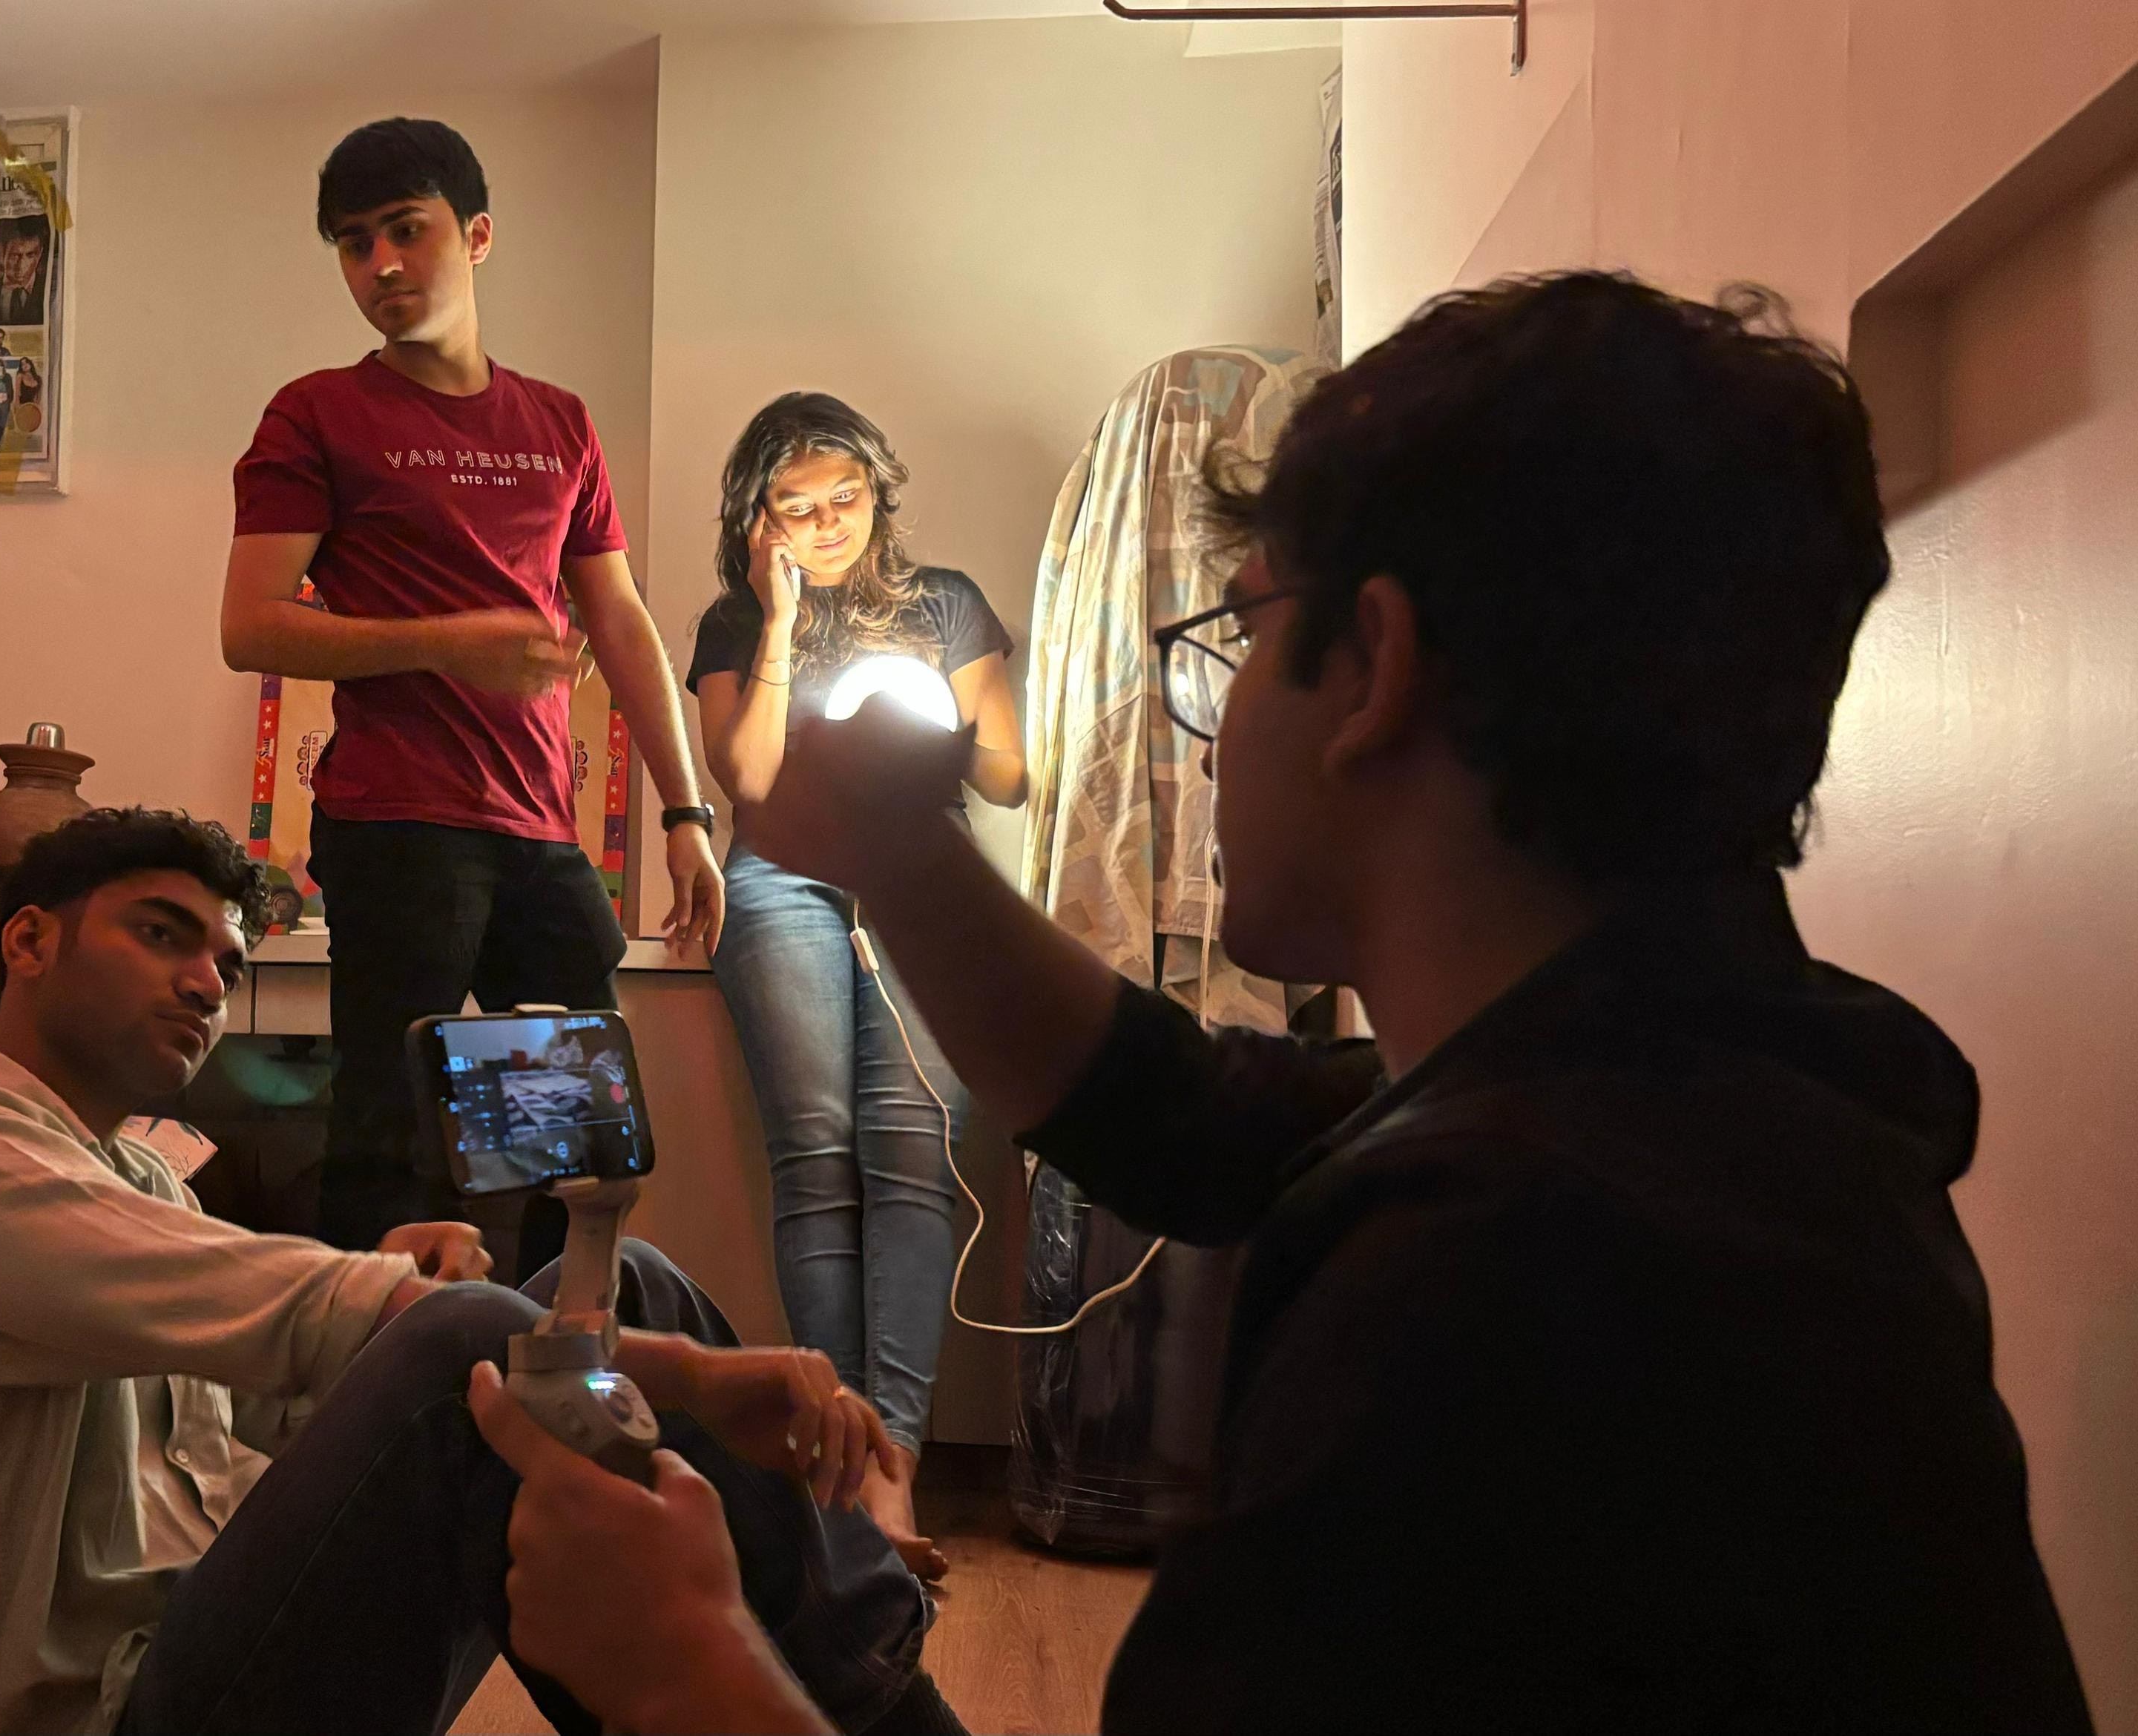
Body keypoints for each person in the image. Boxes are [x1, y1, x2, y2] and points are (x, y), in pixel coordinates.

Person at [473, 272, 2094, 1733]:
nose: (1220, 699)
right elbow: (1187, 1114)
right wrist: (901, 857)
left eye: (1239, 633)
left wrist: (687, 1670)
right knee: (669, 1310)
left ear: (1372, 670)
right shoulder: (1711, 1090)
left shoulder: (1492, 1300)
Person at [0, 809, 948, 1736]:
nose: (207, 984)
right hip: (102, 1710)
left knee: (626, 1277)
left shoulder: (139, 1175)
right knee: (466, 1346)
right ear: (29, 942)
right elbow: (334, 1324)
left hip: (216, 1636)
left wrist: (390, 1325)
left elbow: (269, 1410)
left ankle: (852, 1674)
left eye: (226, 962)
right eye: (160, 935)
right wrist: (689, 1380)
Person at [221, 118, 725, 1258]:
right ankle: (380, 1363)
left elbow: (621, 619)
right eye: (355, 243)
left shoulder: (559, 422)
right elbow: (249, 626)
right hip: (398, 825)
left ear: (478, 236)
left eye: (407, 230)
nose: (382, 265)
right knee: (390, 1141)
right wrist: (450, 645)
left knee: (580, 1142)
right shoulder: (317, 412)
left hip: (540, 831)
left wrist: (686, 815)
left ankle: (553, 1345)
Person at [685, 393, 1024, 1578]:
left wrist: (916, 733)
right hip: (780, 880)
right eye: (798, 506)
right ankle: (837, 1466)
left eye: (847, 498)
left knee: (913, 1152)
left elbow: (1011, 775)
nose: (828, 523)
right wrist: (781, 623)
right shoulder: (734, 622)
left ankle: (895, 1469)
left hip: (919, 872)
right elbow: (747, 776)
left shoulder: (946, 602)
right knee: (817, 1159)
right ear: (757, 519)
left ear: (880, 492)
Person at [0, 214, 52, 326]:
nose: (21, 266)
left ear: (40, 254)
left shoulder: (49, 289)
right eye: (15, 256)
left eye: (30, 255)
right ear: (3, 254)